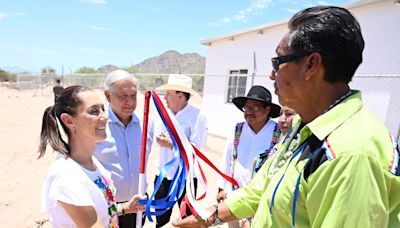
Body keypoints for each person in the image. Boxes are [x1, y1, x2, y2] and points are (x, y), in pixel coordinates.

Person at [172, 6, 400, 227]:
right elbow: (265, 185)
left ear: (311, 64)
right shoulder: (307, 126)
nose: (272, 75)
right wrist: (212, 215)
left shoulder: (350, 155)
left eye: (277, 62)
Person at [39, 85, 146, 227]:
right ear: (69, 121)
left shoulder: (92, 163)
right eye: (94, 111)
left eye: (103, 109)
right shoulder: (67, 176)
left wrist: (124, 208)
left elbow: (100, 210)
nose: (105, 116)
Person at [93, 69, 154, 228]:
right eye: (123, 96)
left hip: (138, 205)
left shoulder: (147, 124)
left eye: (133, 96)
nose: (130, 102)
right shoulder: (96, 126)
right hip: (108, 208)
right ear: (108, 96)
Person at [217, 85, 281, 228]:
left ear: (267, 110)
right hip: (236, 198)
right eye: (246, 108)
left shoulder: (278, 133)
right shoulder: (237, 129)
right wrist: (221, 187)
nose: (249, 112)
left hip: (261, 202)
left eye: (255, 108)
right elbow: (227, 158)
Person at [154, 74, 208, 227]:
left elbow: (196, 147)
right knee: (161, 219)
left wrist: (172, 144)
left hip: (186, 179)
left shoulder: (197, 116)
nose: (165, 99)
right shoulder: (163, 115)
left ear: (180, 96)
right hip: (164, 176)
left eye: (168, 95)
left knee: (188, 219)